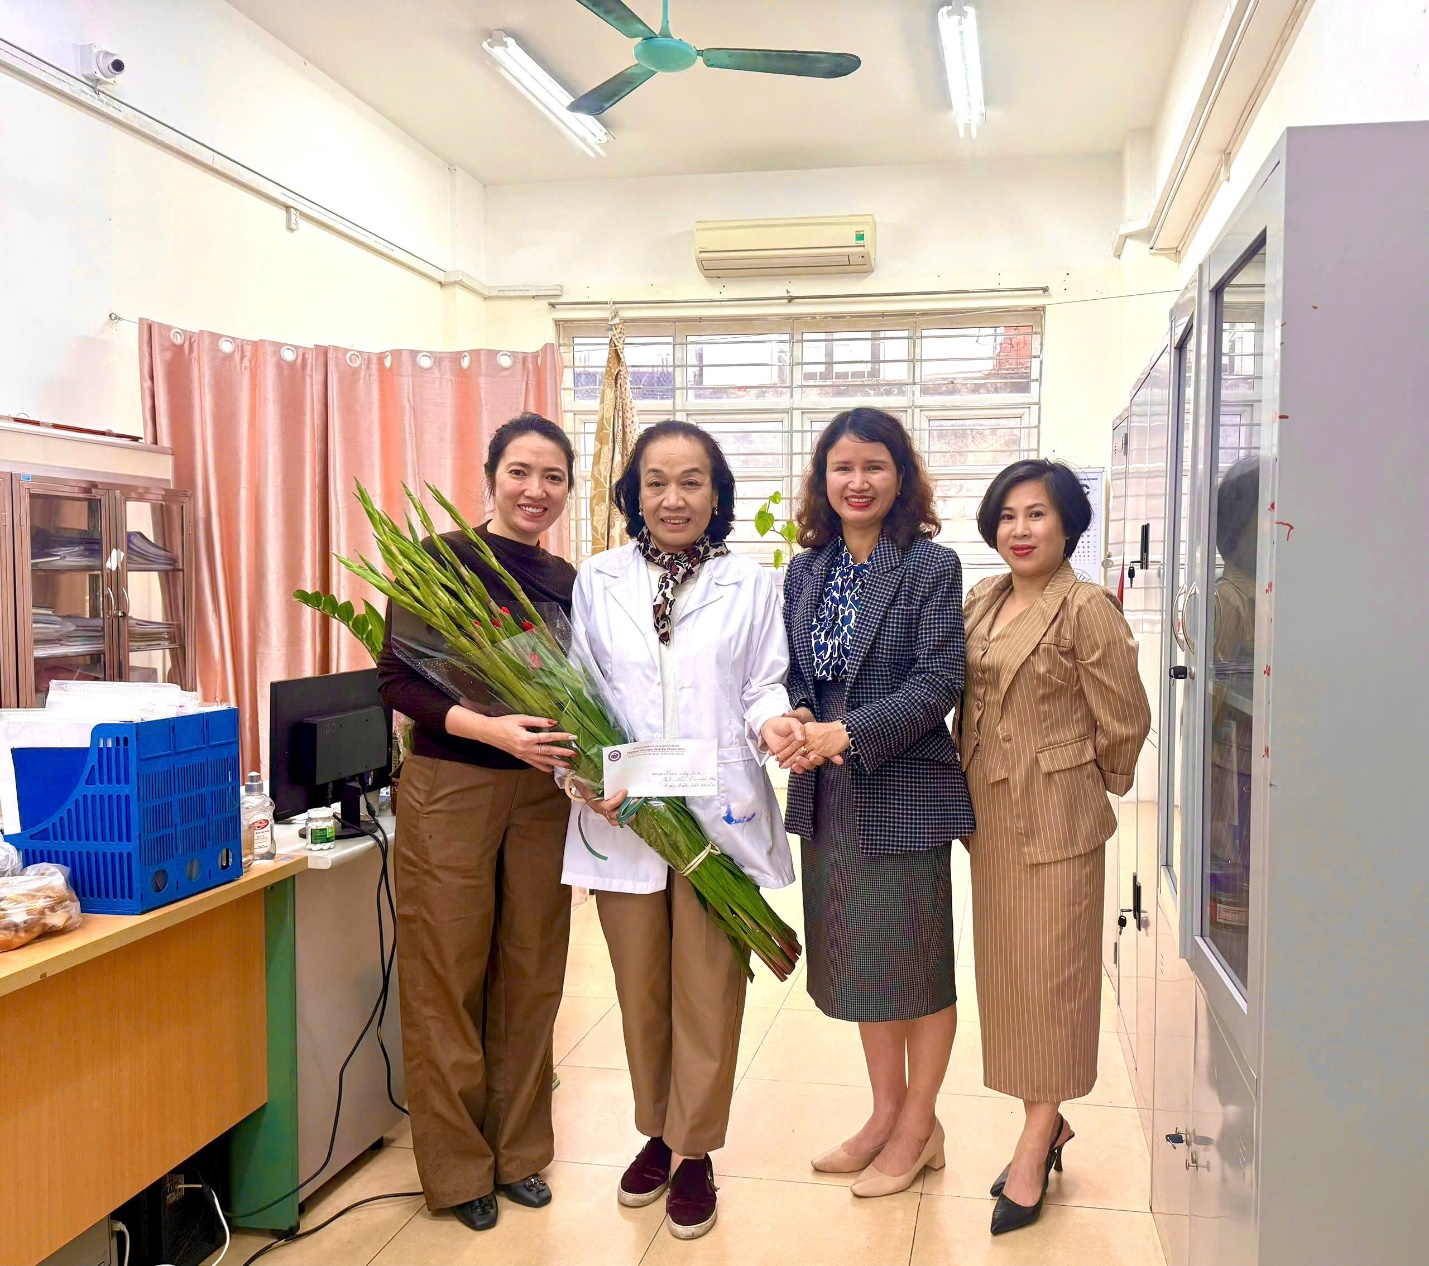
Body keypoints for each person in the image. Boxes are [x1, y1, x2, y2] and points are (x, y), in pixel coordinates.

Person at [562, 420, 800, 1242]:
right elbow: (577, 693)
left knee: (708, 989)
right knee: (640, 991)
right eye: (656, 482)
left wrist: (776, 727)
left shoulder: (751, 582)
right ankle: (656, 1133)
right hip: (624, 809)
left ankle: (694, 1149)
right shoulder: (597, 578)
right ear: (633, 493)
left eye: (692, 481)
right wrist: (580, 776)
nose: (673, 498)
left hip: (712, 810)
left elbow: (763, 684)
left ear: (716, 494)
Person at [376, 413, 579, 1234]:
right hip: (451, 783)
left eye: (554, 477)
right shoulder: (439, 563)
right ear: (491, 475)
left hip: (540, 796)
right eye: (520, 472)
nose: (536, 490)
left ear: (569, 488)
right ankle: (458, 1169)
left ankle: (520, 1152)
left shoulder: (568, 579)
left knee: (531, 972)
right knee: (446, 974)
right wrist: (488, 726)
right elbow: (397, 678)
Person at [772, 407, 976, 1200]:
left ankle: (919, 1125)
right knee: (861, 960)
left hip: (902, 785)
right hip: (826, 793)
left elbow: (938, 683)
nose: (857, 482)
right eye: (841, 468)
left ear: (901, 477)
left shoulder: (930, 566)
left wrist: (843, 733)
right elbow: (793, 670)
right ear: (822, 480)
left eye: (874, 466)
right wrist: (795, 717)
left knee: (914, 961)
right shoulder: (803, 571)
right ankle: (883, 1112)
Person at [960, 459, 1151, 1235]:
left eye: (1035, 514)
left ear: (1067, 522)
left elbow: (1124, 717)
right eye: (1006, 515)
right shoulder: (982, 599)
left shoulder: (1085, 609)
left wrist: (1083, 780)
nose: (1019, 529)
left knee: (1054, 981)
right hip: (988, 820)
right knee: (1009, 977)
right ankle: (1049, 1120)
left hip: (1057, 822)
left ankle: (1037, 1136)